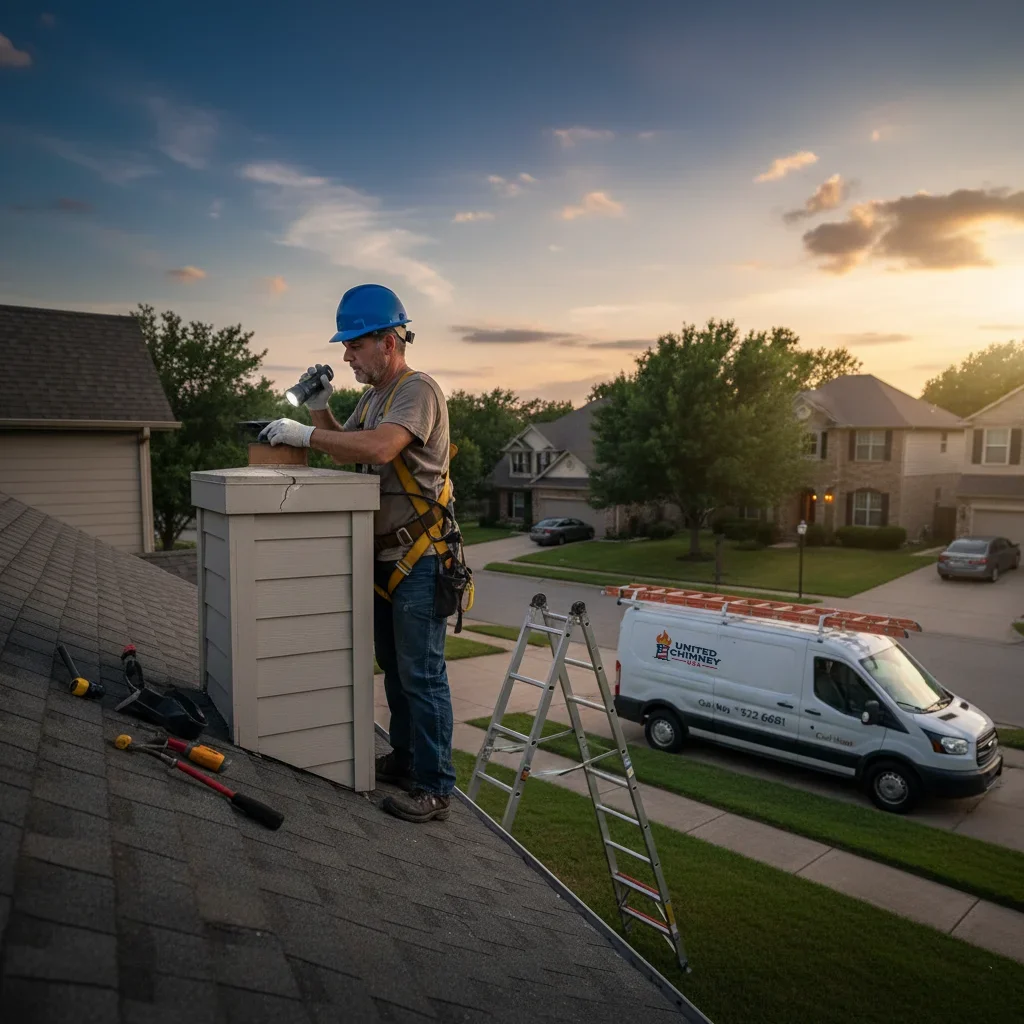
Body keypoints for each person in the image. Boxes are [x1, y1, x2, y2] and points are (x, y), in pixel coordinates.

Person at [259, 283, 458, 823]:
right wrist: (320, 413)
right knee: (395, 670)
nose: (346, 355)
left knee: (422, 674)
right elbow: (352, 449)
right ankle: (407, 757)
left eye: (355, 345)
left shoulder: (418, 390)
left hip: (420, 557)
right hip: (388, 558)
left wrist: (303, 434)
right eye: (346, 346)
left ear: (388, 342)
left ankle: (436, 785)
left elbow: (379, 448)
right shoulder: (375, 397)